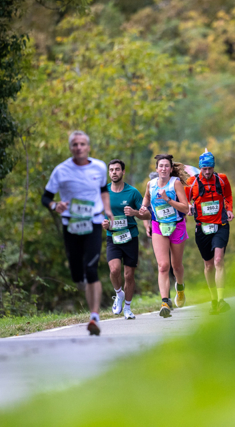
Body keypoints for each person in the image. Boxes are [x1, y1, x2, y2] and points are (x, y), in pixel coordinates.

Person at [41, 130, 113, 336]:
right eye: (75, 144)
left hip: (93, 221)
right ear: (70, 148)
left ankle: (94, 316)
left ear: (88, 147)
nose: (79, 147)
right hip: (71, 223)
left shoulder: (99, 167)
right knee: (76, 271)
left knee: (91, 268)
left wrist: (107, 209)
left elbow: (103, 190)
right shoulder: (61, 170)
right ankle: (82, 283)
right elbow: (45, 197)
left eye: (82, 144)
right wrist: (55, 205)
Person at [139, 154, 190, 318]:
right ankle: (165, 301)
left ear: (170, 169)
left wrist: (168, 199)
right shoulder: (150, 184)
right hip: (159, 226)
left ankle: (180, 288)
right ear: (156, 169)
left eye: (166, 166)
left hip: (177, 226)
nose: (163, 168)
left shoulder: (175, 184)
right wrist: (142, 210)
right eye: (160, 166)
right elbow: (146, 202)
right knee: (163, 266)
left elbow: (185, 208)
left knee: (176, 265)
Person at [186, 149, 234, 315]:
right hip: (202, 228)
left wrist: (229, 209)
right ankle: (214, 300)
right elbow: (184, 202)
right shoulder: (191, 182)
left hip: (221, 225)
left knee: (218, 260)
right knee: (208, 265)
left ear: (214, 167)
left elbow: (228, 196)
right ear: (200, 168)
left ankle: (221, 300)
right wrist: (188, 208)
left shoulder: (222, 179)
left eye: (210, 169)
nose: (207, 172)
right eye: (204, 169)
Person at [103, 159, 149, 320]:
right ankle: (119, 294)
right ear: (109, 173)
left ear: (123, 172)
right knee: (114, 270)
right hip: (113, 237)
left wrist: (135, 213)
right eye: (111, 170)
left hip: (130, 237)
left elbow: (148, 214)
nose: (114, 172)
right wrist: (103, 223)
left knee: (129, 275)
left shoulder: (133, 192)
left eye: (117, 169)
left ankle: (128, 308)